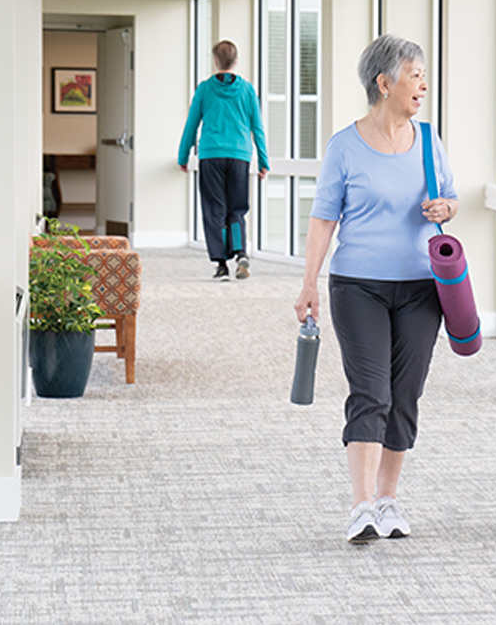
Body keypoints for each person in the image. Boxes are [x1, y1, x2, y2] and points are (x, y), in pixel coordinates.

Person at [294, 34, 458, 544]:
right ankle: (361, 506)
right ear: (384, 83)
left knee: (405, 395)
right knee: (371, 393)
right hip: (358, 286)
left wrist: (445, 209)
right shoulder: (344, 146)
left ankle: (389, 501)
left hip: (420, 287)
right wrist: (309, 284)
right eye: (415, 76)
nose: (423, 85)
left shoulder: (429, 141)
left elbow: (449, 197)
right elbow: (324, 219)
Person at [178, 40, 269, 280]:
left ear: (216, 61)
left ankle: (221, 265)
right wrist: (263, 160)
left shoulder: (205, 89)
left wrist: (183, 155)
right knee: (237, 209)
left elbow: (192, 124)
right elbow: (257, 127)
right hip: (239, 156)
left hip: (211, 156)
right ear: (236, 61)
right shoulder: (248, 90)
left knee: (214, 209)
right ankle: (240, 253)